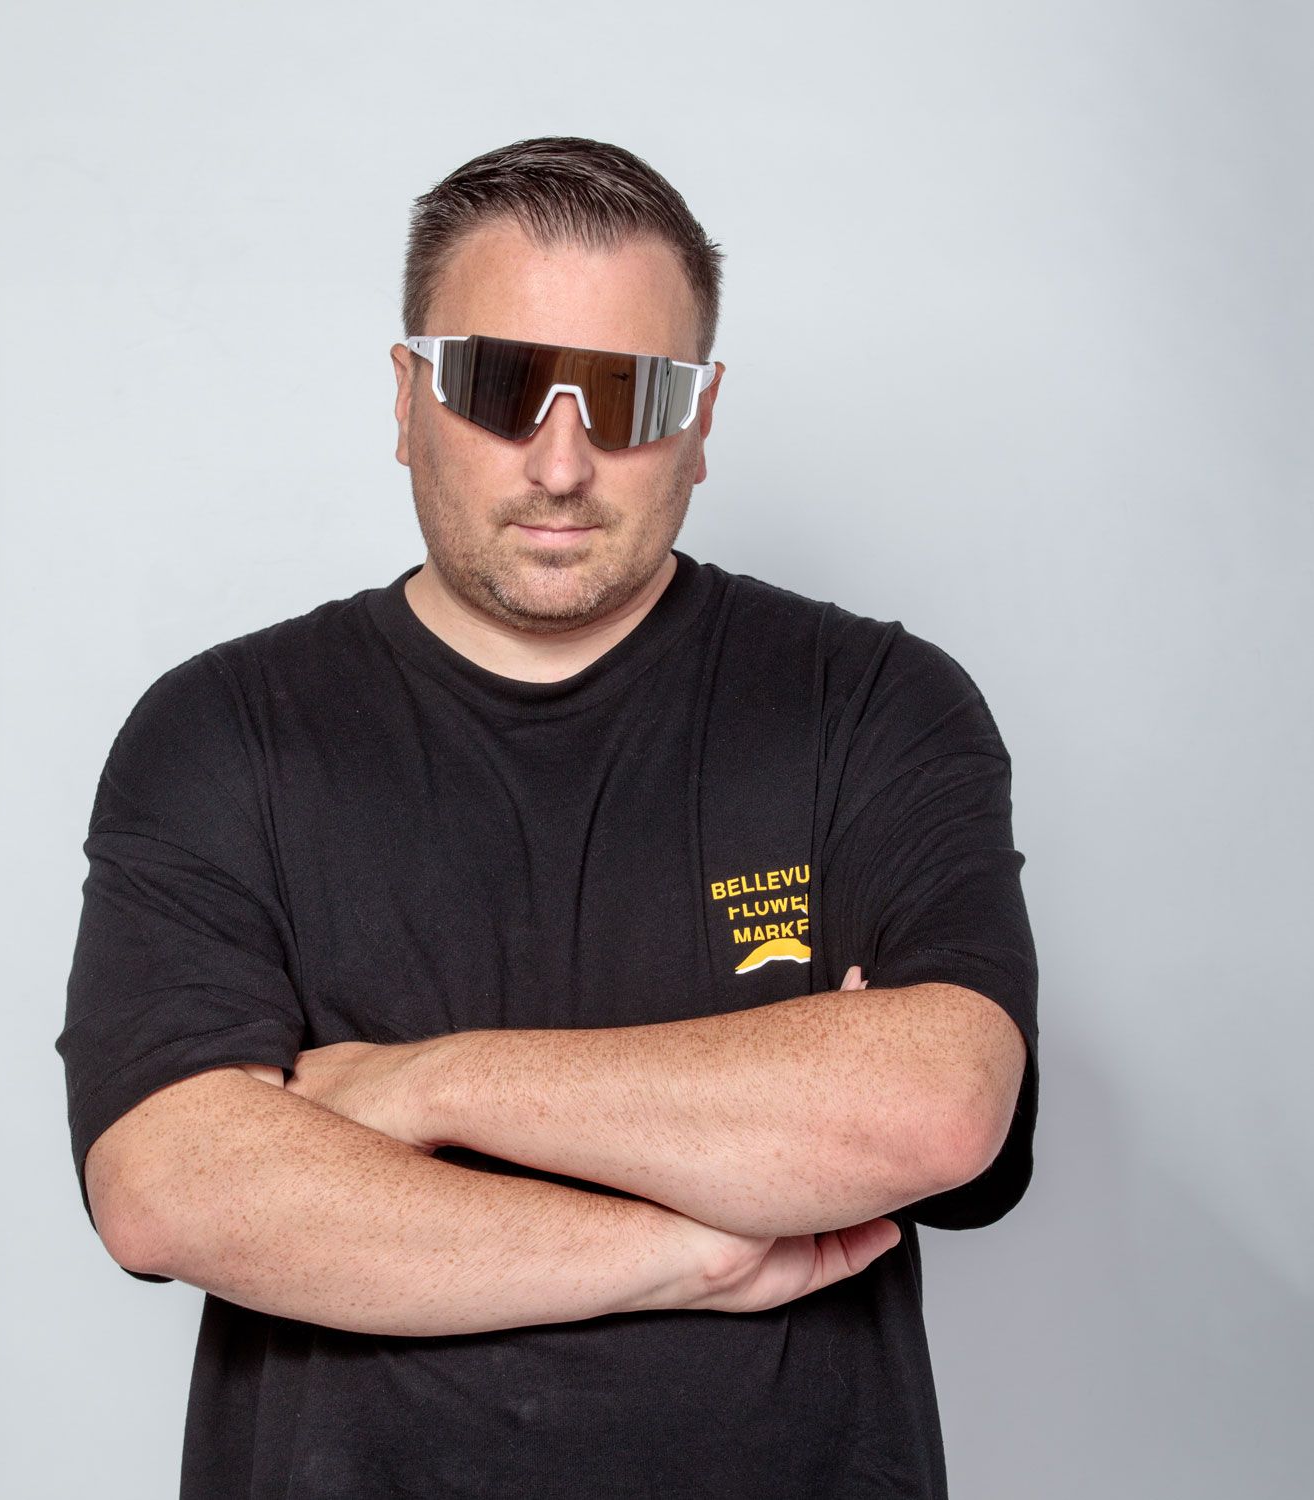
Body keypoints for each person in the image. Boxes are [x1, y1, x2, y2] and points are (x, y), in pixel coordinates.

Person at [57, 135, 1039, 1499]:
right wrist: (688, 1251)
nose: (563, 462)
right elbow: (175, 1187)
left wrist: (422, 1087)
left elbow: (931, 1108)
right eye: (503, 386)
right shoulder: (224, 733)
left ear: (701, 418)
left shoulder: (871, 704)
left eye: (629, 397)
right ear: (407, 396)